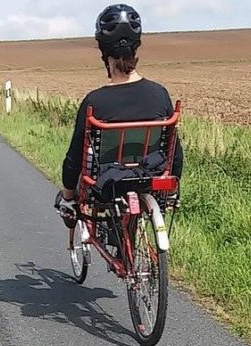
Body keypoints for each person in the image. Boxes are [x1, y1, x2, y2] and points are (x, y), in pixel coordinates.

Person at [55, 4, 184, 226]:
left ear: (104, 52)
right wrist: (173, 186)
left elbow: (74, 158)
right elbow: (175, 151)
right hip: (151, 176)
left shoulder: (94, 101)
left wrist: (68, 197)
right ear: (136, 47)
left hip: (108, 183)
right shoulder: (159, 94)